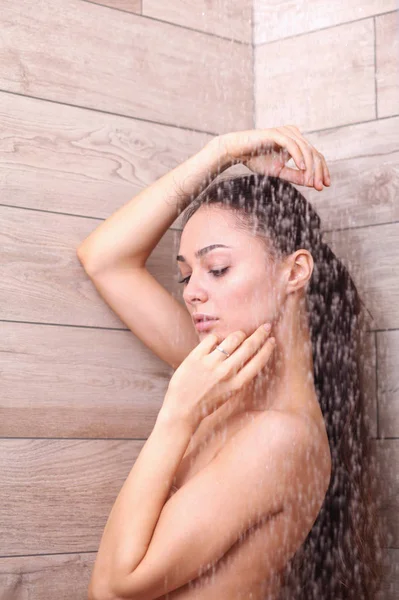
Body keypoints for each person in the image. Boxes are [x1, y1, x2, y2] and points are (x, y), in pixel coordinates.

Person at [78, 126, 386, 599]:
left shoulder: (279, 436)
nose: (193, 291)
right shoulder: (227, 377)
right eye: (185, 275)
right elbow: (105, 258)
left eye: (217, 268)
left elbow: (115, 588)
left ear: (295, 272)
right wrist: (221, 153)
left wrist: (177, 416)